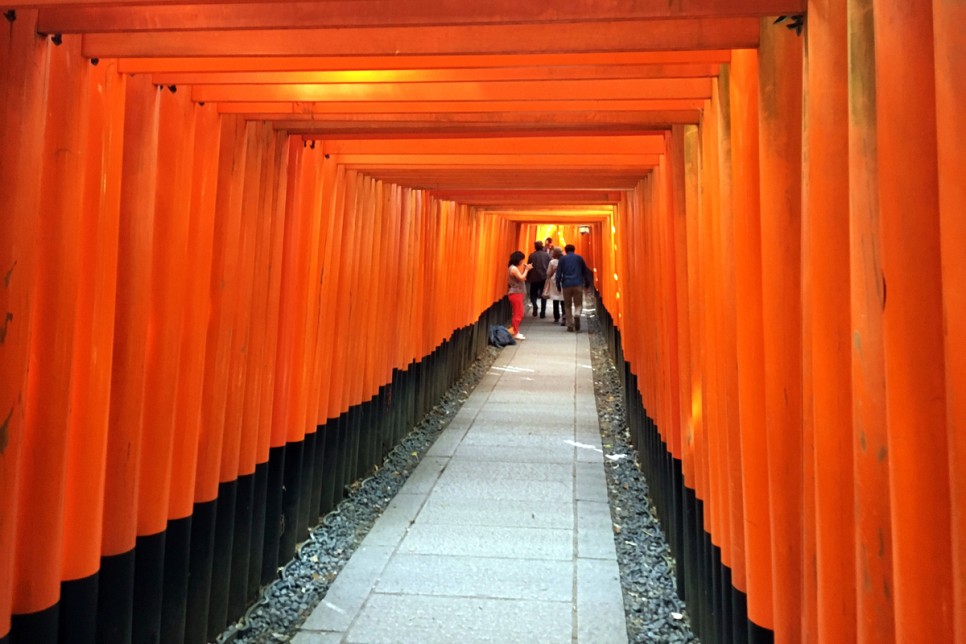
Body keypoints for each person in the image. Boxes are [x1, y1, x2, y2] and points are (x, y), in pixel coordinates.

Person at [555, 243, 592, 333]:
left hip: (566, 284)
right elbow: (585, 271)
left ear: (566, 250)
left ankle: (570, 325)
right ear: (574, 250)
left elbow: (558, 273)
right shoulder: (579, 258)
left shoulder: (562, 259)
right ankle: (577, 314)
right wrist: (587, 284)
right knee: (578, 304)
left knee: (567, 305)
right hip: (578, 283)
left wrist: (558, 285)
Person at [507, 250, 531, 340]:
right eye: (522, 259)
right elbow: (521, 278)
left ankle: (514, 331)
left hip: (517, 293)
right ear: (519, 259)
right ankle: (515, 332)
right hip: (515, 293)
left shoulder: (513, 268)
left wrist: (525, 269)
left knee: (518, 313)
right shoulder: (513, 269)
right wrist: (527, 270)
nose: (522, 262)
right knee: (518, 313)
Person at [526, 240, 551, 319]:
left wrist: (528, 276)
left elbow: (529, 266)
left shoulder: (532, 255)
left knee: (533, 293)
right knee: (544, 294)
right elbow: (549, 266)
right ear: (542, 246)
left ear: (535, 247)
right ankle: (543, 312)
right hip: (544, 277)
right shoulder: (547, 255)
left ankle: (535, 305)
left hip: (534, 277)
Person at [542, 247, 565, 324]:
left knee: (555, 298)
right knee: (563, 298)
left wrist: (548, 277)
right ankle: (564, 315)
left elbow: (548, 273)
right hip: (564, 279)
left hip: (554, 280)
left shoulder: (552, 262)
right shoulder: (564, 260)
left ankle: (556, 317)